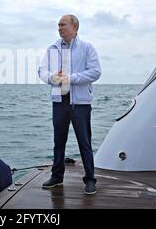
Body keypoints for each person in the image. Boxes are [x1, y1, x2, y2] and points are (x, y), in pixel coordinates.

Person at [38, 14, 101, 195]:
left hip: (80, 103)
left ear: (75, 27)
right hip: (59, 101)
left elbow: (96, 72)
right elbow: (42, 71)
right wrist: (52, 77)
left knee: (84, 142)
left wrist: (70, 78)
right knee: (59, 142)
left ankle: (90, 179)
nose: (59, 28)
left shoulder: (87, 47)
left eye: (63, 25)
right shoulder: (52, 48)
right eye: (58, 25)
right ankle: (57, 177)